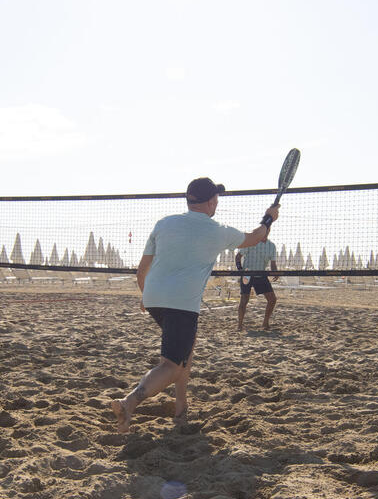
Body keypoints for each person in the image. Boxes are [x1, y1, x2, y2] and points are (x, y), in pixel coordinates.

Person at [111, 177, 279, 433]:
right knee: (171, 364)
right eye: (217, 199)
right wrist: (269, 218)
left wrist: (146, 295)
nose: (217, 204)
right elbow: (256, 237)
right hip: (181, 304)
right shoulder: (218, 230)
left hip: (154, 297)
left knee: (184, 352)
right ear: (211, 201)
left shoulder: (164, 224)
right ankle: (128, 402)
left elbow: (141, 269)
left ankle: (181, 406)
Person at [235, 239, 279, 331]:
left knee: (272, 299)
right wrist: (240, 269)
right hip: (247, 274)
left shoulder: (271, 245)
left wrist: (275, 272)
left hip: (261, 274)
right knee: (244, 300)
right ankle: (240, 325)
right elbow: (238, 256)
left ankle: (265, 323)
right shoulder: (251, 241)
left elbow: (273, 263)